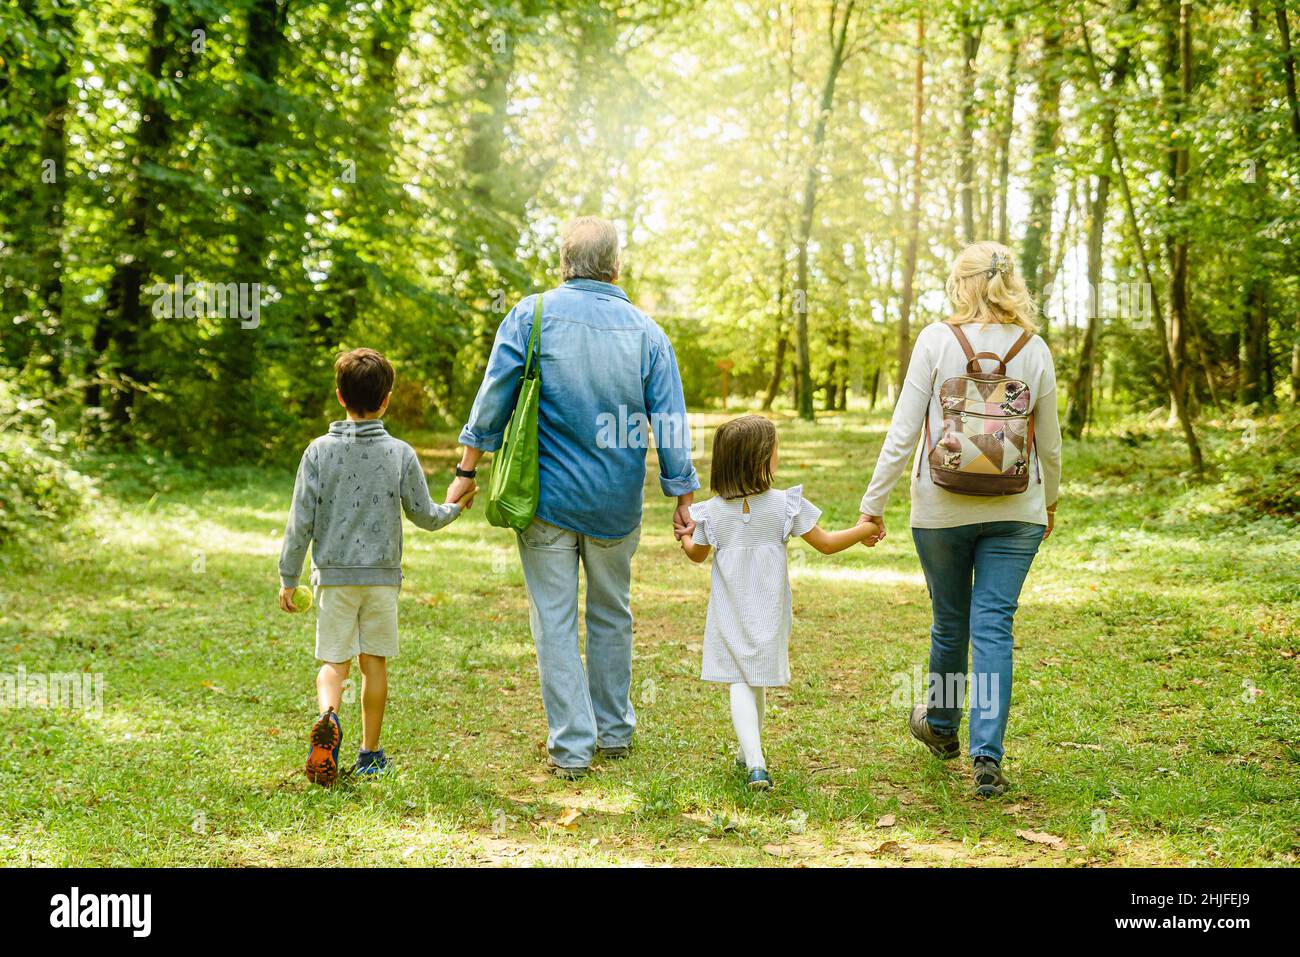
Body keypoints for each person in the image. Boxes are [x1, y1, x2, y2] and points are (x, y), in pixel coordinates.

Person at [448, 217, 700, 779]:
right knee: (612, 613)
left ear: (564, 263)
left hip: (546, 501)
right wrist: (682, 494)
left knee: (554, 622)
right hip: (615, 505)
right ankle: (614, 731)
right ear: (616, 266)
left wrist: (467, 469)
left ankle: (571, 747)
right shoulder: (647, 333)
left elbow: (492, 399)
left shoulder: (530, 315)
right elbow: (670, 422)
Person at [857, 241, 1062, 797]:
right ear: (1010, 283)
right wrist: (1048, 501)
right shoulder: (1034, 348)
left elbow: (903, 432)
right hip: (1016, 509)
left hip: (940, 508)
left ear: (961, 283)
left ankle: (942, 726)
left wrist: (874, 504)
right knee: (993, 625)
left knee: (950, 621)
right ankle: (986, 757)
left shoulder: (935, 340)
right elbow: (1049, 441)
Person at [278, 348, 476, 786]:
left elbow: (300, 520)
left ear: (339, 396)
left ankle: (329, 717)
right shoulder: (399, 453)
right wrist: (455, 506)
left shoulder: (317, 452)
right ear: (386, 400)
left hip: (334, 578)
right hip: (382, 580)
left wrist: (288, 577)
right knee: (374, 665)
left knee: (334, 663)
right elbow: (424, 514)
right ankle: (370, 754)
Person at [677, 415, 880, 791]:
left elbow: (696, 555)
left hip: (730, 609)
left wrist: (685, 537)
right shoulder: (784, 505)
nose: (779, 457)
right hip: (769, 608)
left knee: (742, 679)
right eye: (775, 451)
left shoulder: (712, 512)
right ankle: (754, 760)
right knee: (753, 677)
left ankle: (751, 757)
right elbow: (827, 544)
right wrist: (864, 529)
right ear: (760, 460)